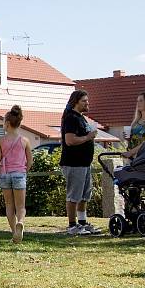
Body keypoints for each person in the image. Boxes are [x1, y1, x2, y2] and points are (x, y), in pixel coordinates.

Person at [0, 106, 33, 242]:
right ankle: (20, 222)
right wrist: (24, 171)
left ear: (7, 124)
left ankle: (14, 232)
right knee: (21, 206)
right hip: (19, 174)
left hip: (5, 175)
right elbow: (30, 161)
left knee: (9, 205)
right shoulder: (25, 141)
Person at [60, 90, 101, 236]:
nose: (87, 103)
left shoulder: (82, 118)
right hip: (73, 163)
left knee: (84, 195)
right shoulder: (71, 118)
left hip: (84, 163)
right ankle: (72, 225)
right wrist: (88, 137)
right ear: (76, 102)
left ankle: (83, 223)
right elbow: (70, 140)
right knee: (74, 195)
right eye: (84, 101)